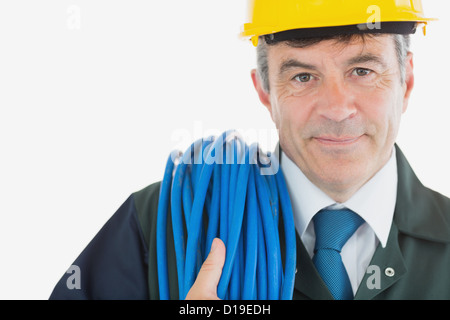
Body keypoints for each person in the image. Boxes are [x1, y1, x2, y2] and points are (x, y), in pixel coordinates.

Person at [49, 0, 450, 300]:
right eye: (303, 75)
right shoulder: (161, 224)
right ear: (265, 91)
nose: (337, 108)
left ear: (407, 80)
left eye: (362, 71)